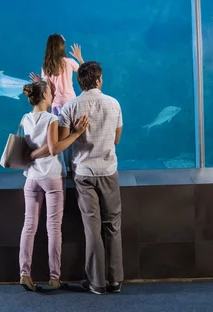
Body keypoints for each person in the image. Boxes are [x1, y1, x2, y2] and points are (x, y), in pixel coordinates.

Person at [58, 61, 124, 295]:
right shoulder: (113, 104)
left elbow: (63, 143)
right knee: (112, 225)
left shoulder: (70, 107)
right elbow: (116, 139)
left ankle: (96, 283)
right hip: (108, 171)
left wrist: (79, 132)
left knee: (91, 228)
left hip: (84, 174)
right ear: (98, 80)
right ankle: (115, 280)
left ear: (79, 81)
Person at [18, 80, 90, 292]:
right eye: (50, 91)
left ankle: (24, 273)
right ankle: (54, 277)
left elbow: (28, 148)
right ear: (45, 96)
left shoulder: (25, 118)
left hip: (31, 176)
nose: (53, 94)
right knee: (53, 228)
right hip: (51, 176)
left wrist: (32, 155)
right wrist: (76, 133)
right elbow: (53, 148)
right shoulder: (51, 118)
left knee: (29, 226)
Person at [29, 33, 85, 174]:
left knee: (60, 139)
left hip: (55, 107)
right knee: (75, 135)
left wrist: (38, 82)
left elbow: (47, 89)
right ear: (62, 47)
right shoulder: (68, 61)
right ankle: (76, 166)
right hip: (71, 104)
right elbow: (85, 72)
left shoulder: (46, 66)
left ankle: (64, 168)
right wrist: (78, 56)